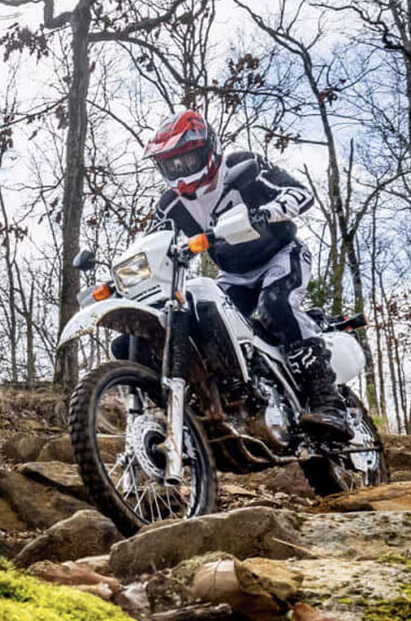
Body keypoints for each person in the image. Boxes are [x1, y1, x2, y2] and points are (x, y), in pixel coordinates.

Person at [144, 109, 352, 438]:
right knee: (214, 328)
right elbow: (149, 246)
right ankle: (249, 398)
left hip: (281, 256)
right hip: (234, 276)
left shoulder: (241, 165)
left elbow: (301, 192)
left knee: (277, 306)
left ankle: (329, 404)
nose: (181, 170)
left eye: (187, 159)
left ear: (208, 148)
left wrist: (264, 213)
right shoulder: (170, 204)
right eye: (172, 164)